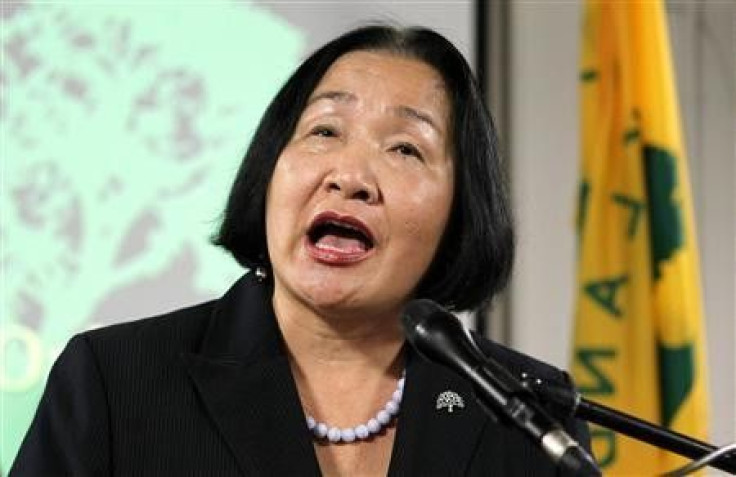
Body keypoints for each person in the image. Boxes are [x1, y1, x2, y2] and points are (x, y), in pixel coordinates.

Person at [11, 25, 591, 476]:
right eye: (324, 131)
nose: (350, 175)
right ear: (270, 169)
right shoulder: (115, 383)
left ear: (461, 209)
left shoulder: (532, 417)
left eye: (405, 149)